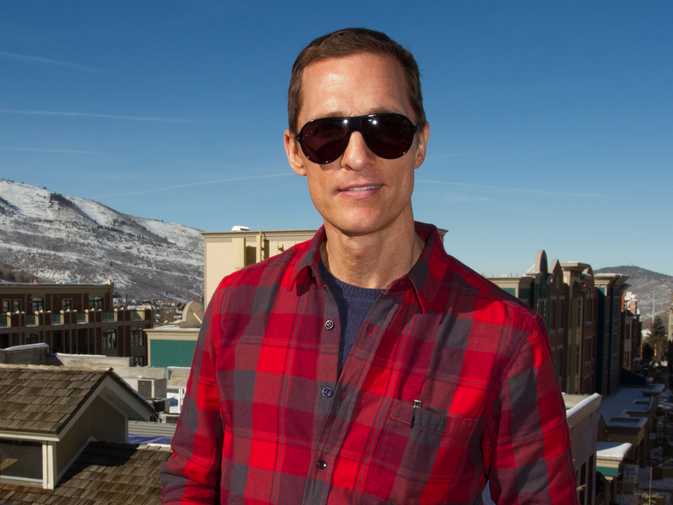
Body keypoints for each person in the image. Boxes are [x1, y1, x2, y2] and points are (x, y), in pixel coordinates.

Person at [161, 27, 578, 504]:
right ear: (295, 151)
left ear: (420, 144)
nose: (356, 157)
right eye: (326, 134)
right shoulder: (236, 304)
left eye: (386, 129)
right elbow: (190, 478)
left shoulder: (506, 336)